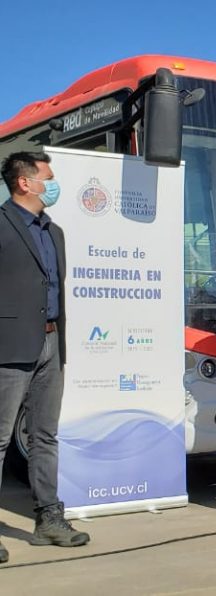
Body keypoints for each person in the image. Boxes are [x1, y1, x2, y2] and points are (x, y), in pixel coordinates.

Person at [0, 152, 91, 562]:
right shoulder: (1, 224)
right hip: (9, 345)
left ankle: (48, 519)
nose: (53, 184)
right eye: (47, 178)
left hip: (52, 342)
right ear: (25, 183)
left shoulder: (53, 232)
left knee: (44, 435)